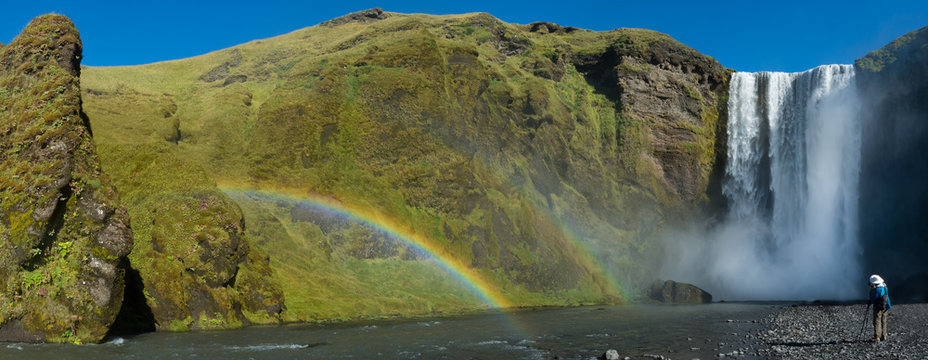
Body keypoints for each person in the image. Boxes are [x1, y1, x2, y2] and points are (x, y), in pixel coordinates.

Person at [868, 274, 892, 341]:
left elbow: (873, 299)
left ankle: (877, 337)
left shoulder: (877, 289)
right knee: (883, 321)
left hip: (878, 307)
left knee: (877, 321)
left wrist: (871, 291)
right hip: (886, 306)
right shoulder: (884, 286)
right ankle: (884, 336)